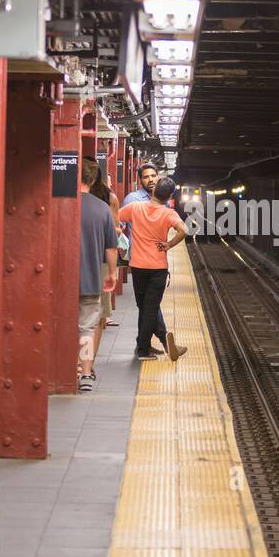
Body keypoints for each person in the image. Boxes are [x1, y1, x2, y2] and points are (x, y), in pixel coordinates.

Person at [119, 176, 188, 363]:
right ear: (169, 196)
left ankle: (150, 345)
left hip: (138, 266)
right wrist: (168, 245)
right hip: (158, 268)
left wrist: (120, 238)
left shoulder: (135, 208)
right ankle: (145, 349)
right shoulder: (168, 214)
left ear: (154, 189)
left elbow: (116, 219)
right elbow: (184, 230)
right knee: (150, 308)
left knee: (145, 307)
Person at [121, 163, 169, 356]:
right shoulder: (133, 199)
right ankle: (163, 338)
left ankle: (144, 344)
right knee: (149, 304)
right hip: (140, 260)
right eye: (146, 177)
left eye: (153, 176)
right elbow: (118, 224)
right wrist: (123, 248)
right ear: (140, 180)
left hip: (157, 260)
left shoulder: (161, 200)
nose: (150, 180)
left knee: (146, 305)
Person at [79, 159, 118, 391]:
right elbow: (111, 249)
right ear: (93, 180)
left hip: (59, 282)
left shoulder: (60, 205)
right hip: (91, 279)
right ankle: (84, 373)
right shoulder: (102, 208)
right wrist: (112, 273)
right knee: (86, 328)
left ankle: (65, 366)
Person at [87, 170, 122, 361]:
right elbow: (113, 241)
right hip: (100, 264)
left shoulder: (71, 202)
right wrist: (113, 272)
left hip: (80, 266)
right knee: (95, 317)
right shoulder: (104, 205)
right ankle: (86, 366)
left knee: (83, 320)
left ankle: (80, 365)